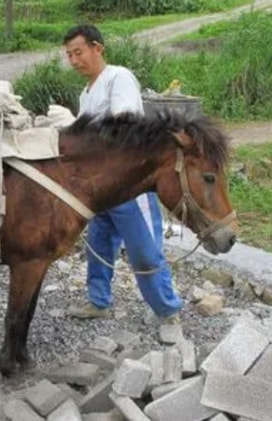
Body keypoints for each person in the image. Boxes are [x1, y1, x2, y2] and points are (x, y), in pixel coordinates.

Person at [63, 24, 182, 323]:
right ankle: (98, 301)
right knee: (100, 245)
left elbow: (125, 123)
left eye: (78, 52)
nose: (74, 61)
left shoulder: (118, 77)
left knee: (145, 250)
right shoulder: (85, 94)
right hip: (101, 188)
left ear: (97, 48)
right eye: (69, 55)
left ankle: (169, 312)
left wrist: (83, 136)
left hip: (130, 186)